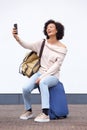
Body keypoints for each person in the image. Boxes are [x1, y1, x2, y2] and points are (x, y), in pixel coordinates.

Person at [12, 19, 67, 122]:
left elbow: (55, 67)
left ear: (57, 30)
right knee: (25, 88)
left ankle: (45, 114)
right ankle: (28, 110)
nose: (48, 29)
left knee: (43, 83)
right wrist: (17, 38)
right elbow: (27, 45)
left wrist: (42, 77)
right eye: (47, 27)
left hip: (53, 76)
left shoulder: (62, 48)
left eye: (51, 27)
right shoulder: (42, 43)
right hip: (40, 72)